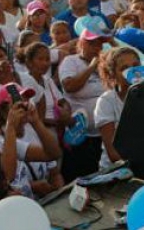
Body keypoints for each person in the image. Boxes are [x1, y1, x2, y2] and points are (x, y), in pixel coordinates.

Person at [58, 27, 111, 181]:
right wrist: (91, 67)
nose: (97, 48)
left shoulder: (105, 64)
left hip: (103, 133)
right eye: (93, 43)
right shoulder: (70, 61)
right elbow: (69, 86)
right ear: (82, 43)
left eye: (100, 44)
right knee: (81, 178)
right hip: (80, 136)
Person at [95, 47, 139, 170]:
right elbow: (113, 153)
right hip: (117, 171)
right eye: (124, 68)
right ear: (113, 74)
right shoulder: (106, 102)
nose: (131, 71)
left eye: (135, 65)